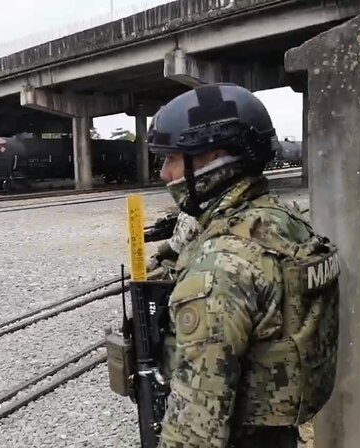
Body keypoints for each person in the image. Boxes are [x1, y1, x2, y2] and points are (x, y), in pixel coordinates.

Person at [146, 83, 340, 448]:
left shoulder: (221, 267)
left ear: (214, 158)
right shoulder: (283, 220)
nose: (164, 174)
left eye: (172, 159)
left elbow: (195, 430)